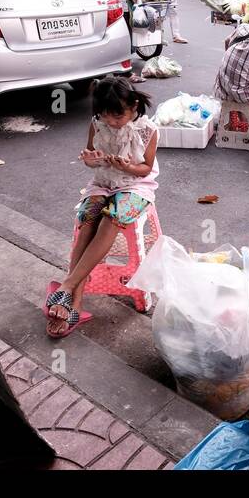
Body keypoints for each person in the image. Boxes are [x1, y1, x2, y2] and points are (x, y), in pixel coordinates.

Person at [46, 77, 159, 338]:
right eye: (105, 116)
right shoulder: (97, 124)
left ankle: (68, 287)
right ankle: (75, 300)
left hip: (135, 186)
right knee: (87, 218)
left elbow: (145, 169)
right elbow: (90, 156)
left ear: (134, 106)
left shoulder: (148, 129)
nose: (111, 122)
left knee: (112, 218)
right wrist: (91, 160)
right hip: (103, 183)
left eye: (117, 116)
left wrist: (126, 166)